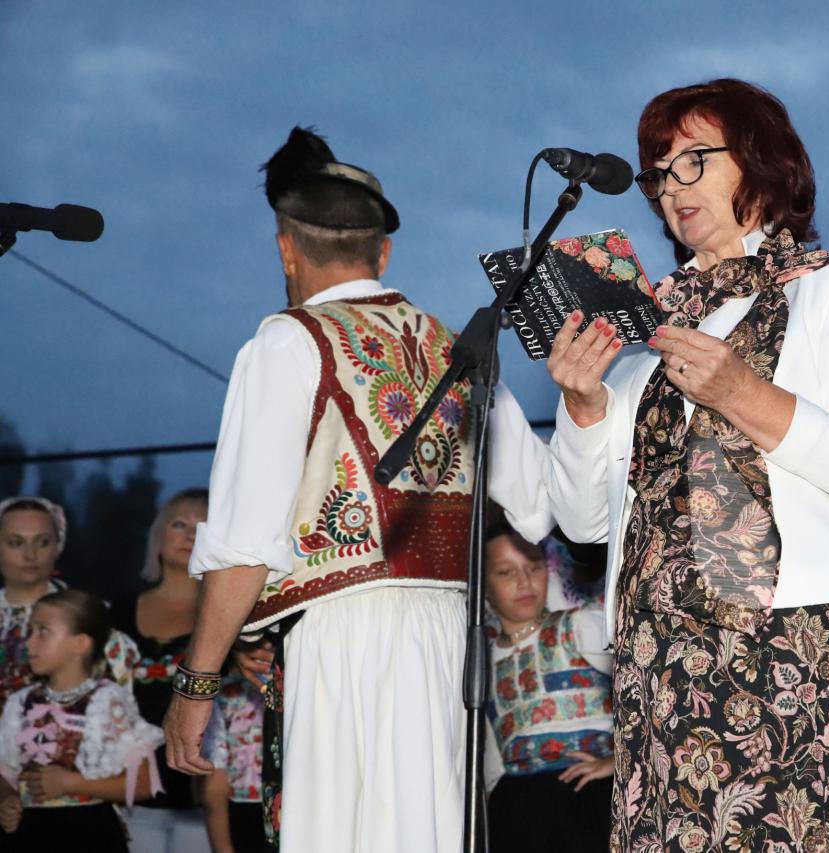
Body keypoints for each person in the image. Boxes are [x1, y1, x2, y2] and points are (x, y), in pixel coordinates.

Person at [544, 78, 829, 851]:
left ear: (760, 160)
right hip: (658, 660)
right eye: (659, 171)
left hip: (789, 646)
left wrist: (744, 394)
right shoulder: (647, 339)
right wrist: (582, 408)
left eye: (695, 160)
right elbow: (582, 522)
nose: (672, 186)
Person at [162, 126, 551, 853]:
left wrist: (196, 683)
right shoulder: (456, 344)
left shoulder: (288, 341)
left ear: (286, 249)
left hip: (342, 644)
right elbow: (536, 504)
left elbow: (245, 543)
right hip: (449, 643)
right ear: (384, 252)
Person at [482, 517, 613, 853]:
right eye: (505, 572)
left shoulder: (579, 626)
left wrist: (620, 762)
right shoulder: (483, 660)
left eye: (534, 567)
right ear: (484, 585)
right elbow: (494, 757)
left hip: (586, 797)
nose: (524, 582)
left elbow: (647, 691)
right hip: (519, 810)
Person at [0, 589, 163, 852]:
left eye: (43, 632)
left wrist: (69, 783)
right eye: (30, 631)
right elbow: (5, 771)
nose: (29, 643)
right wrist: (7, 799)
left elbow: (142, 785)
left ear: (80, 644)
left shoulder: (107, 701)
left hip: (88, 833)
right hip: (29, 834)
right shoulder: (20, 702)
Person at [115, 488, 213, 851]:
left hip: (206, 799)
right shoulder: (117, 613)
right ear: (158, 537)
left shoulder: (233, 618)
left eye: (203, 527)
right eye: (179, 524)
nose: (190, 536)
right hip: (127, 794)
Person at [0, 496, 138, 705]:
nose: (30, 555)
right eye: (15, 543)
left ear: (58, 545)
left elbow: (118, 701)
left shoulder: (88, 615)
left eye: (43, 542)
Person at [201, 674, 266, 853]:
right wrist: (224, 848)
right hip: (243, 815)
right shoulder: (225, 695)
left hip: (302, 813)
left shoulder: (310, 691)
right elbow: (214, 788)